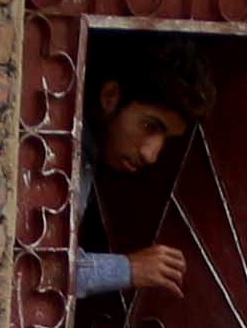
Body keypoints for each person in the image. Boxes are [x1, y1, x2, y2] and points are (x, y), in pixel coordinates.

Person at [71, 41, 205, 310]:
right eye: (149, 126)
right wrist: (128, 268)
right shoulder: (56, 153)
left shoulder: (85, 157)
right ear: (110, 97)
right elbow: (41, 270)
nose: (151, 154)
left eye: (165, 138)